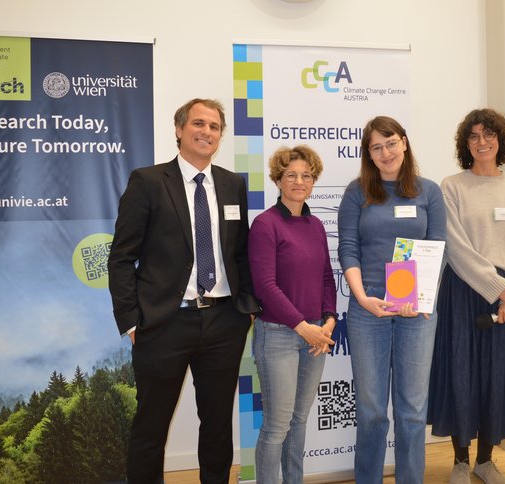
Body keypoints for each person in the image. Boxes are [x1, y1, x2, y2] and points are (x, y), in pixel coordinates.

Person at [108, 98, 259, 484]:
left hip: (224, 321)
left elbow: (240, 251)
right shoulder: (148, 181)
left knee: (217, 424)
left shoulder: (233, 184)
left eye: (214, 126)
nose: (207, 132)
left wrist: (246, 306)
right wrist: (131, 321)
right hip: (164, 323)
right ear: (179, 129)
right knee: (151, 426)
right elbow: (121, 257)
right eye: (198, 123)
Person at [427, 108, 505, 484]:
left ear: (500, 141)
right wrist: (497, 287)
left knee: (498, 376)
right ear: (466, 144)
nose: (482, 142)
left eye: (489, 134)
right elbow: (455, 247)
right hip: (464, 291)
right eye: (473, 136)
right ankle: (460, 461)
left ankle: (485, 461)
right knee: (462, 372)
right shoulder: (451, 186)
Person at [337, 115, 446, 484]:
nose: (385, 153)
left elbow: (439, 248)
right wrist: (363, 297)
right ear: (368, 154)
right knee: (371, 411)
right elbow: (348, 249)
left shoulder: (429, 191)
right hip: (368, 308)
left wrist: (423, 297)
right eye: (376, 147)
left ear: (404, 142)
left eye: (391, 143)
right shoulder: (357, 192)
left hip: (416, 311)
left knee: (412, 410)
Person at [248, 145, 337, 484]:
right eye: (291, 175)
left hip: (316, 335)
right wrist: (303, 327)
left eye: (306, 176)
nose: (300, 182)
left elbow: (326, 277)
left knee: (299, 421)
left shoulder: (315, 225)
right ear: (278, 180)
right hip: (279, 336)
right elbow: (265, 286)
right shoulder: (265, 224)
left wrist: (329, 320)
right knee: (277, 426)